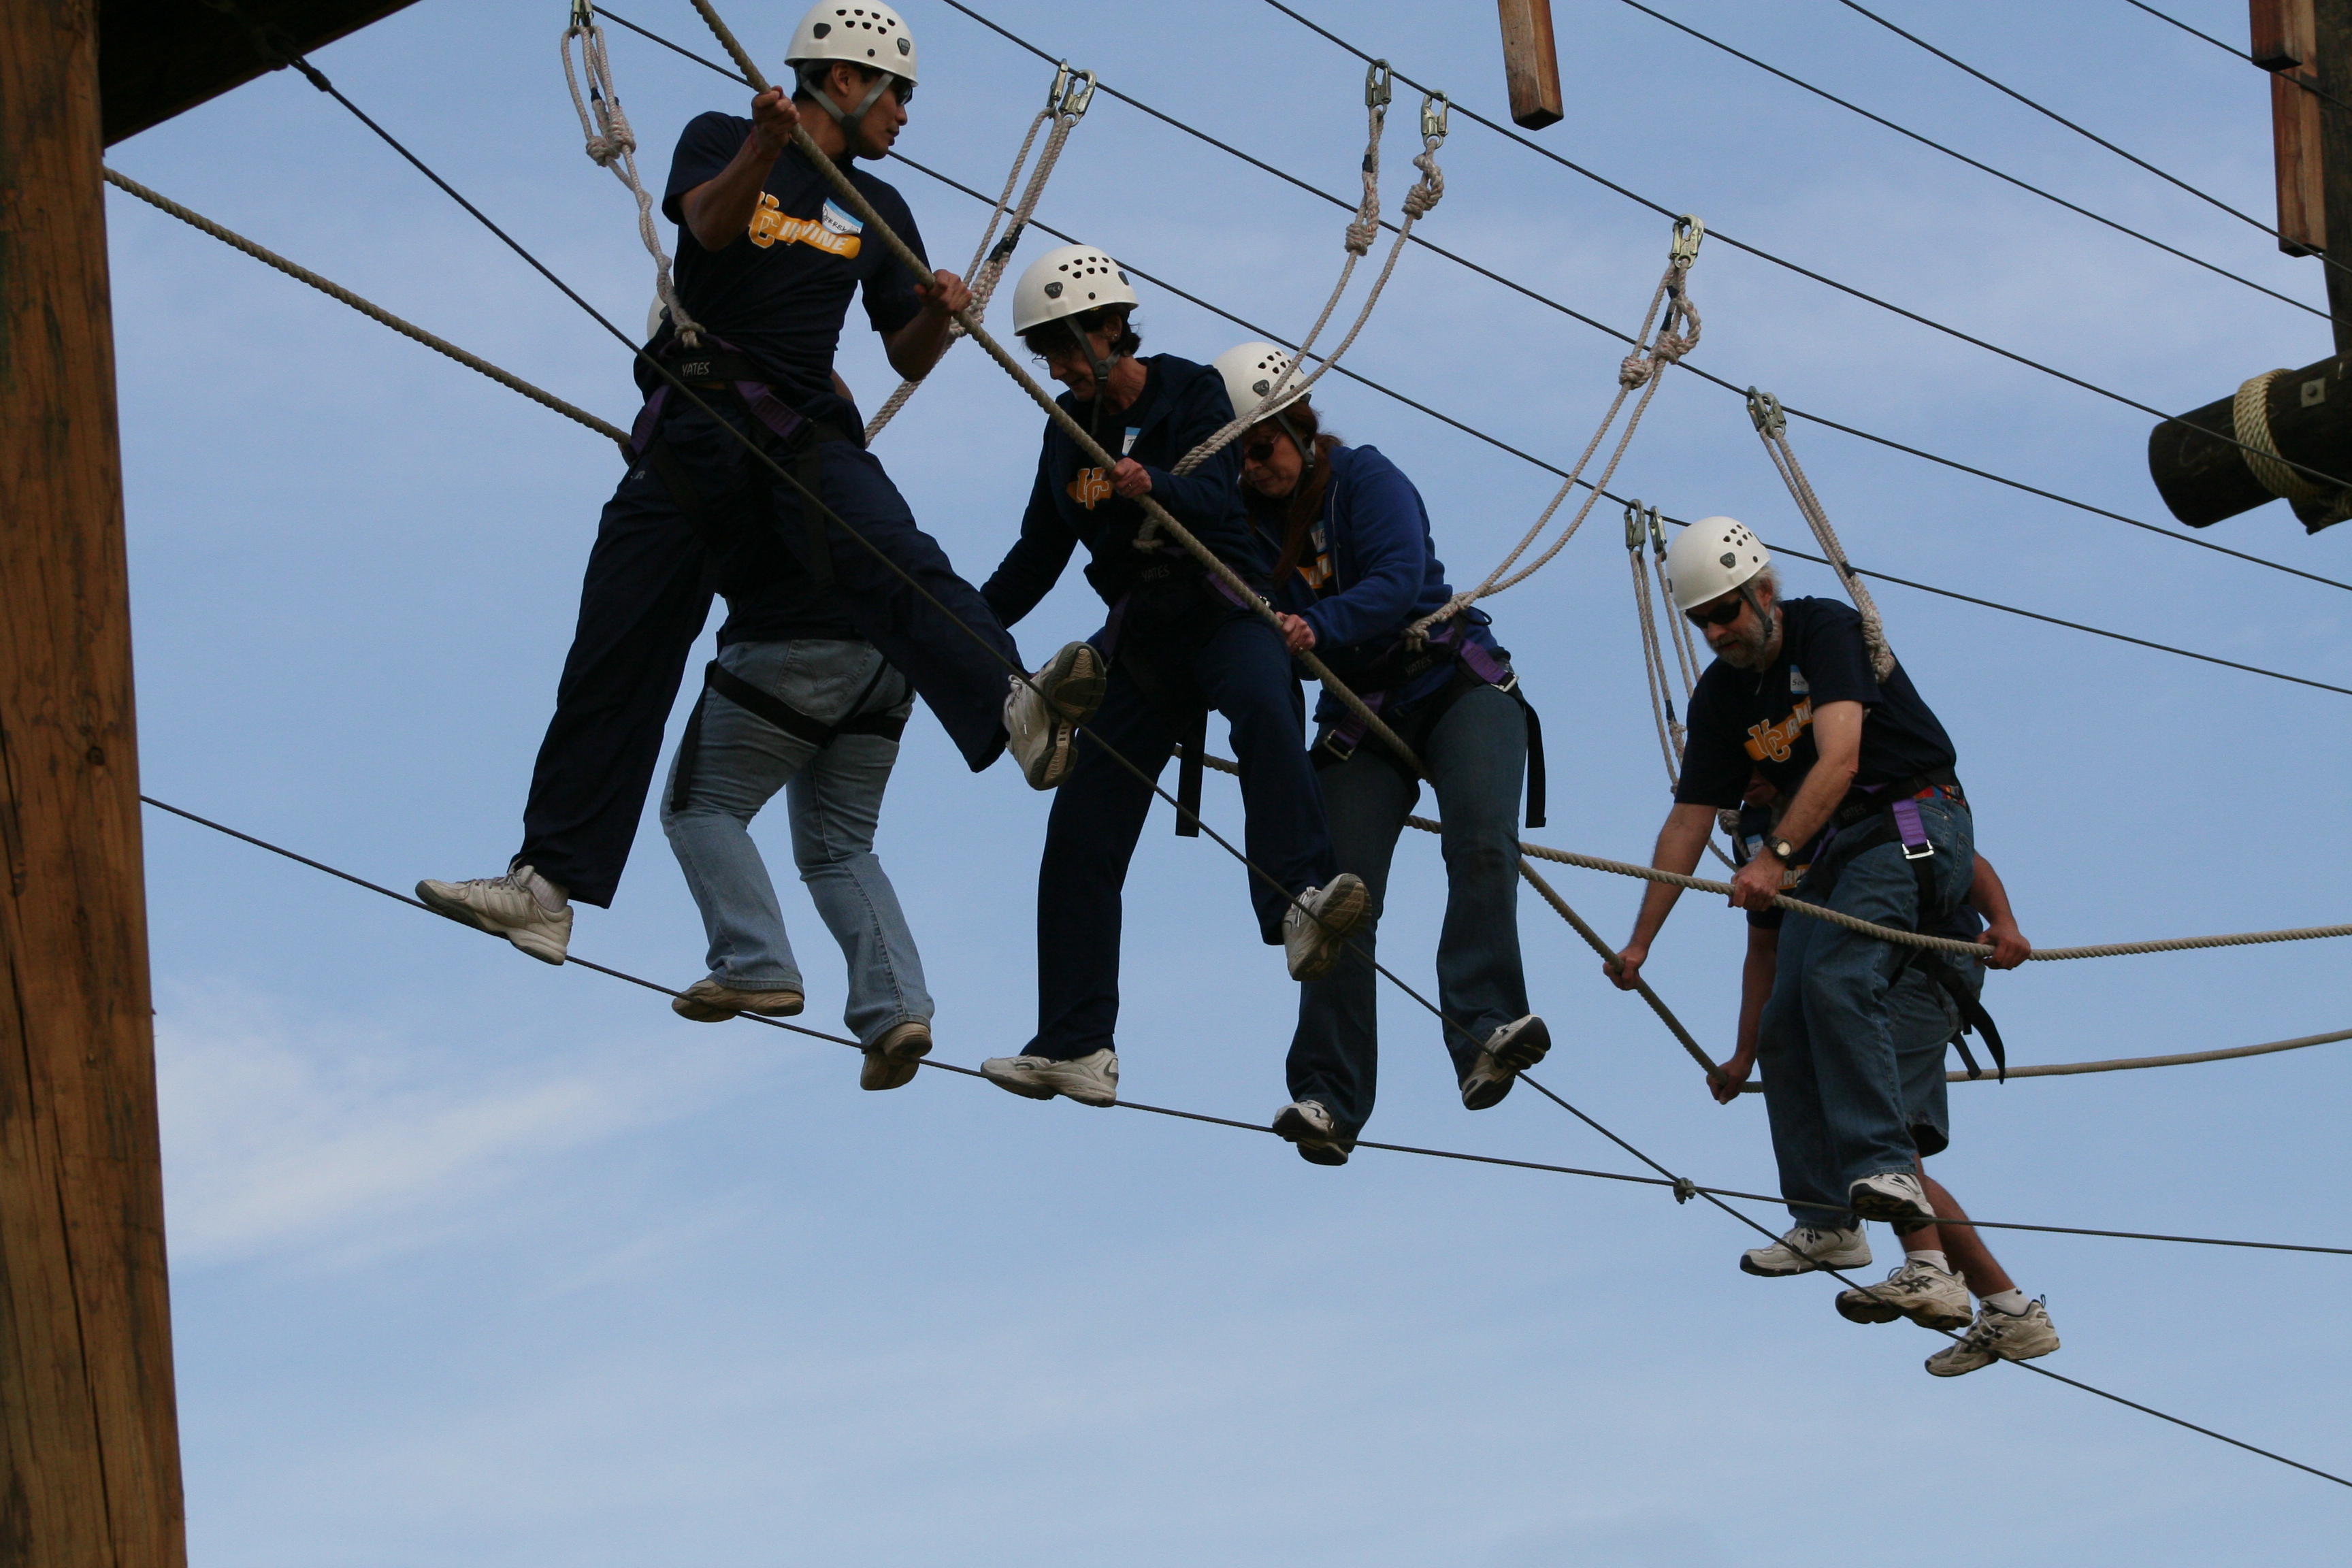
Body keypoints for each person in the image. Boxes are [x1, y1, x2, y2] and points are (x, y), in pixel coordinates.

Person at [416, 2, 1102, 966]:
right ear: (846, 79)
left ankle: (1010, 703)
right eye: (898, 93)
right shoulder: (722, 138)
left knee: (893, 554)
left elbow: (905, 357)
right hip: (695, 428)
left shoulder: (878, 207)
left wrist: (942, 315)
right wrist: (763, 147)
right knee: (617, 648)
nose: (905, 114)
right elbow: (706, 225)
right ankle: (546, 886)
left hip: (798, 431)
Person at [972, 257, 1367, 1108]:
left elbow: (1221, 503)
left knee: (1264, 709)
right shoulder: (1065, 434)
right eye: (1045, 355)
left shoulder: (1190, 392)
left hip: (1221, 604)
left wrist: (1159, 486)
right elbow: (1039, 554)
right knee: (1080, 828)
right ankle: (1077, 1042)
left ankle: (1299, 898)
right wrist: (959, 617)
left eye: (1066, 349)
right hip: (1143, 636)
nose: (1059, 369)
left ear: (1112, 328)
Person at [1200, 344, 1550, 1166]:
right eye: (1237, 459)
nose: (1254, 468)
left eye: (1262, 447)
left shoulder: (1364, 479)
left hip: (1451, 682)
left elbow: (1397, 580)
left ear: (1298, 426)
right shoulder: (1245, 528)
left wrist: (1317, 626)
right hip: (1361, 714)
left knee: (1481, 842)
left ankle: (1486, 1029)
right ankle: (1329, 1094)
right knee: (1334, 903)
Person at [1606, 517, 1971, 1237]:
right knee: (1783, 1023)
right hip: (1832, 854)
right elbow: (1687, 823)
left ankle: (1885, 1164)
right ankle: (1826, 1223)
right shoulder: (1720, 698)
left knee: (1837, 976)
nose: (1716, 633)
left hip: (1909, 817)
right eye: (1702, 622)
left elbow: (1842, 757)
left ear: (1764, 593)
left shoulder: (1823, 629)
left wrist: (1773, 857)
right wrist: (1642, 942)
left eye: (1725, 612)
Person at [1712, 774, 2061, 1377]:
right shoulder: (1756, 834)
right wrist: (1747, 1052)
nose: (1750, 781)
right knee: (1881, 1148)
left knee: (1878, 1133)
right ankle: (2008, 1308)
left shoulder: (1834, 789)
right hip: (1847, 978)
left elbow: (1962, 855)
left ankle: (1929, 1269)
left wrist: (2003, 920)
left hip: (1917, 964)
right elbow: (1765, 949)